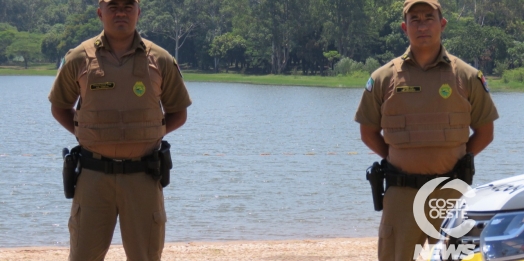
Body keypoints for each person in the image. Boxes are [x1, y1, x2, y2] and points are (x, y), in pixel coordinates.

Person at [354, 0, 498, 260]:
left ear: (442, 24)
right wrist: (396, 159)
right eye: (415, 19)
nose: (422, 25)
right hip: (402, 194)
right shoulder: (383, 78)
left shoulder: (466, 76)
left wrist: (460, 161)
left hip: (451, 193)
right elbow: (368, 132)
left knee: (458, 258)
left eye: (429, 18)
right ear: (404, 27)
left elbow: (485, 132)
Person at [48, 0, 192, 260]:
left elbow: (178, 113)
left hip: (143, 177)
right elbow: (59, 107)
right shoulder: (79, 57)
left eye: (128, 6)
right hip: (93, 177)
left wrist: (147, 137)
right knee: (82, 256)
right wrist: (89, 136)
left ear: (139, 12)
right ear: (100, 13)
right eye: (113, 6)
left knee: (145, 257)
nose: (121, 12)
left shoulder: (159, 58)